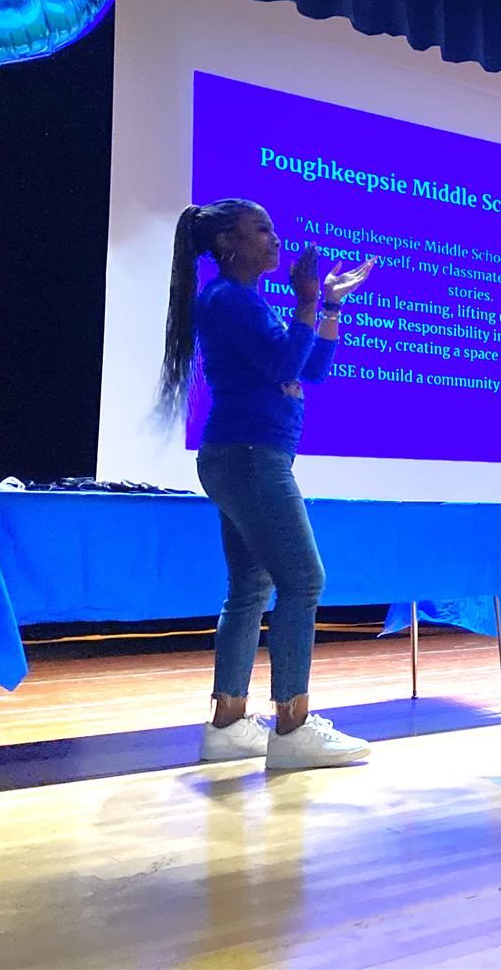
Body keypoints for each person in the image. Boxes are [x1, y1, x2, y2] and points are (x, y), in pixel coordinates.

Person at [157, 199, 377, 768]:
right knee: (303, 580)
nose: (277, 239)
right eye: (262, 230)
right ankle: (292, 727)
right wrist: (306, 302)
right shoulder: (229, 299)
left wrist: (326, 304)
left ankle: (229, 724)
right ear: (228, 242)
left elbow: (309, 369)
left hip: (243, 455)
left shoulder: (240, 301)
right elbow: (286, 367)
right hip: (251, 456)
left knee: (251, 590)